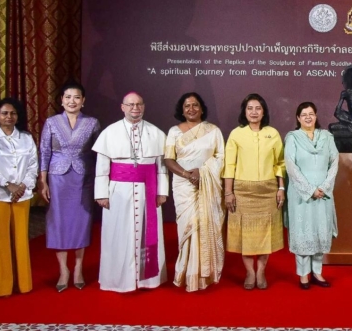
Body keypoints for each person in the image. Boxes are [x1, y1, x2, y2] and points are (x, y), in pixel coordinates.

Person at [92, 92, 168, 292]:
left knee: (147, 232)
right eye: (131, 104)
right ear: (122, 107)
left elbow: (161, 167)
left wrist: (162, 192)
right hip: (119, 191)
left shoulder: (156, 133)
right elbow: (102, 167)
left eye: (139, 104)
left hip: (147, 191)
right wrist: (101, 194)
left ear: (144, 106)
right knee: (117, 234)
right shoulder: (110, 132)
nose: (135, 108)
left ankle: (148, 279)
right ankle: (118, 279)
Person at [38, 82, 100, 292]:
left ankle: (78, 268)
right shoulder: (52, 122)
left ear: (83, 101)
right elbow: (44, 152)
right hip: (57, 179)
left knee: (81, 222)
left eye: (76, 97)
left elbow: (98, 154)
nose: (72, 101)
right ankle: (63, 270)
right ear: (61, 100)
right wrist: (43, 181)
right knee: (59, 222)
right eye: (67, 97)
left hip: (83, 179)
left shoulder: (92, 123)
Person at [0, 97, 38, 297]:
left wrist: (22, 186)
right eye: (4, 113)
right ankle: (1, 287)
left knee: (20, 239)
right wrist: (8, 185)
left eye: (13, 113)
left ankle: (23, 284)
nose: (9, 117)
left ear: (18, 116)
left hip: (21, 195)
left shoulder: (26, 138)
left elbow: (33, 166)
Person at [164, 92, 225, 292]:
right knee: (188, 227)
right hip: (183, 186)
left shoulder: (213, 131)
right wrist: (186, 174)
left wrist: (202, 172)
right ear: (182, 110)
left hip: (207, 185)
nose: (191, 109)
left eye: (195, 105)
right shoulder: (174, 131)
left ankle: (204, 274)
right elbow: (168, 159)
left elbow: (221, 157)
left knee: (205, 224)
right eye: (187, 106)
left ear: (201, 108)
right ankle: (186, 273)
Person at [224, 93, 286, 290]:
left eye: (258, 108)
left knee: (265, 234)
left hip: (268, 191)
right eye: (250, 108)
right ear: (244, 112)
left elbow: (280, 163)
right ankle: (250, 272)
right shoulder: (236, 134)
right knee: (246, 235)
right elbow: (229, 164)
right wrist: (228, 192)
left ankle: (261, 271)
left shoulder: (272, 133)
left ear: (264, 112)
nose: (254, 112)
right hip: (242, 191)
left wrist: (281, 187)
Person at [284, 102, 339, 289]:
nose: (308, 117)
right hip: (301, 196)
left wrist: (324, 187)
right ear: (298, 118)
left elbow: (334, 162)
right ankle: (303, 275)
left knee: (320, 232)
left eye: (311, 114)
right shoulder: (293, 138)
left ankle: (317, 272)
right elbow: (291, 166)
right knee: (303, 233)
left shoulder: (327, 137)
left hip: (323, 194)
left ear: (316, 116)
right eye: (304, 114)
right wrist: (309, 190)